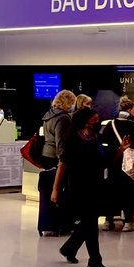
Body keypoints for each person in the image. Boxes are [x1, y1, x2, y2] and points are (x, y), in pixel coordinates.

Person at [53, 108, 127, 267]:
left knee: (89, 221)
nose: (97, 123)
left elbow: (105, 161)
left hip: (96, 185)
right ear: (85, 121)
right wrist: (56, 190)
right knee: (91, 222)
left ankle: (69, 248)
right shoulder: (72, 141)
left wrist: (120, 150)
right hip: (78, 186)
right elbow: (62, 165)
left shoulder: (96, 138)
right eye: (94, 120)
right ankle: (94, 259)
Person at [100, 96, 134, 232]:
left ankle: (108, 221)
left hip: (113, 162)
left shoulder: (110, 124)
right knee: (128, 191)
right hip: (129, 164)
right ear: (130, 110)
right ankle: (128, 222)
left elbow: (104, 143)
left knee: (111, 191)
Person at [38, 90, 76, 237]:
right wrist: (63, 159)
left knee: (48, 189)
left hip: (46, 155)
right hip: (57, 156)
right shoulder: (63, 118)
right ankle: (61, 223)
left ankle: (48, 222)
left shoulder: (48, 115)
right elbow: (62, 141)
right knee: (60, 190)